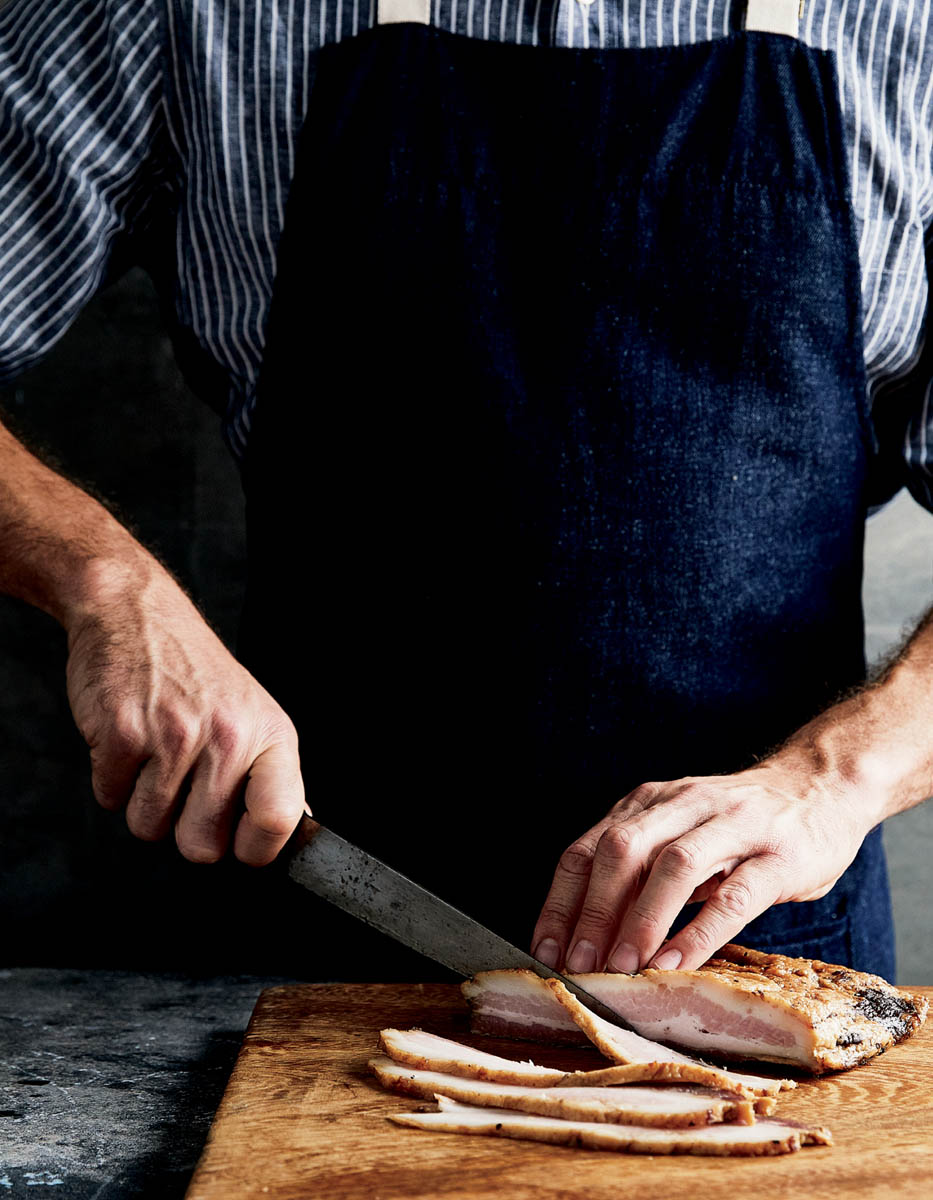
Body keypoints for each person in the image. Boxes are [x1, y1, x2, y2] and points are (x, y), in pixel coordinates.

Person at [1, 0, 931, 981]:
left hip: (754, 961)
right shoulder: (178, 19)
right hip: (315, 940)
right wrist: (107, 586)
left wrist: (837, 779)